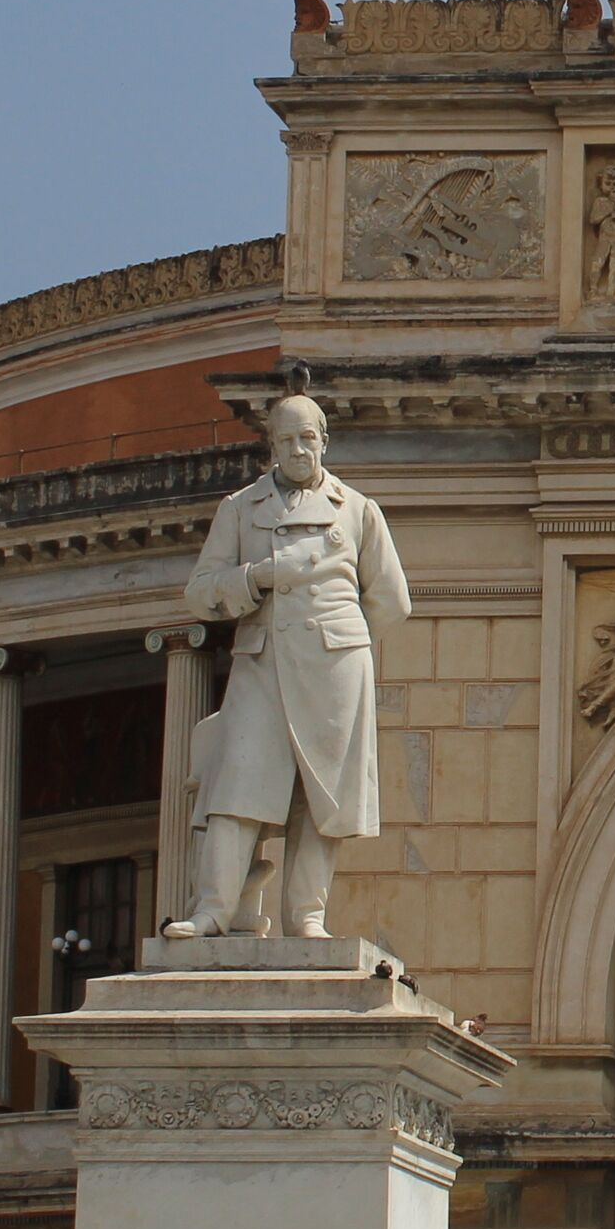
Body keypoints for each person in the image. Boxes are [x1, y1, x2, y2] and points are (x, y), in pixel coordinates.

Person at [169, 391, 411, 939]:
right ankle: (215, 909)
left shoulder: (357, 510)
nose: (299, 450)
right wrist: (253, 580)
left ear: (324, 440)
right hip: (263, 664)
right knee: (236, 787)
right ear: (271, 447)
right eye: (287, 440)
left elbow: (392, 600)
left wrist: (337, 637)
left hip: (334, 669)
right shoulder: (240, 508)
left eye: (308, 438)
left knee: (320, 796)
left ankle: (307, 915)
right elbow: (199, 593)